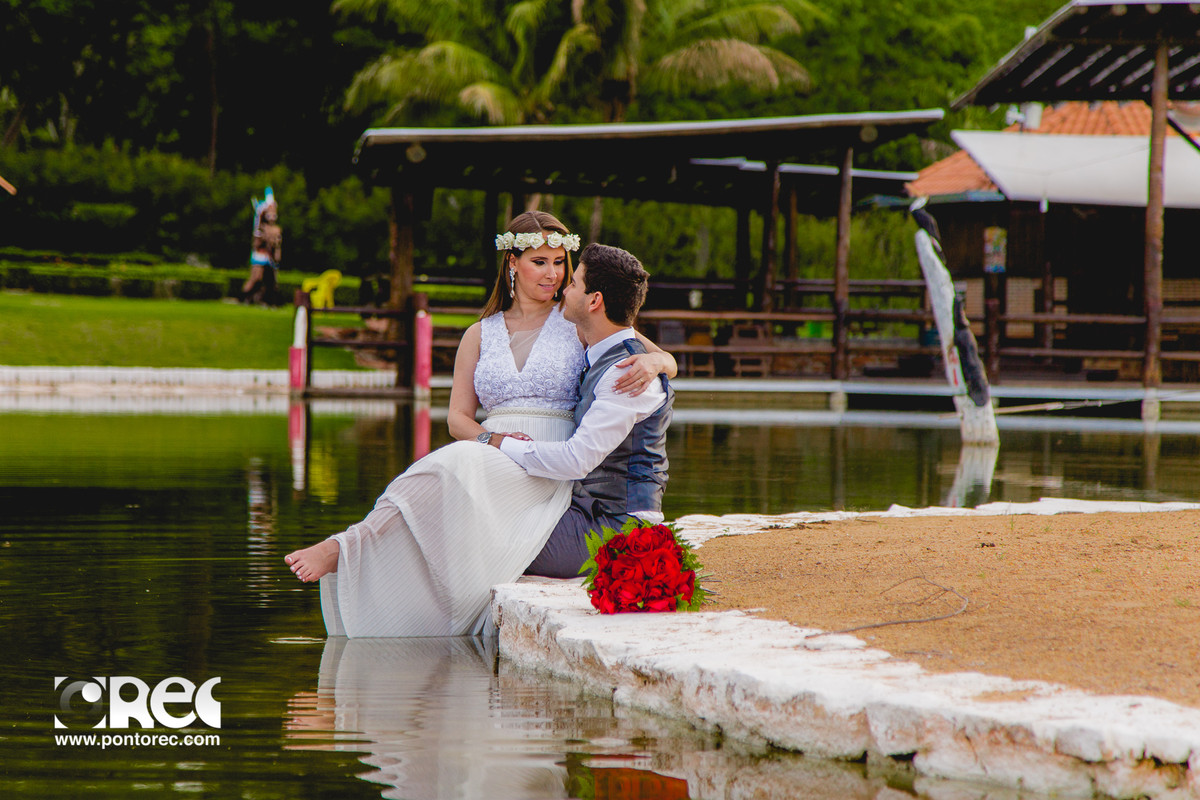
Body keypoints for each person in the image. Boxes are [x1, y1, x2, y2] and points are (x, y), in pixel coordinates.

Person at [283, 211, 676, 636]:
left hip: (549, 464)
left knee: (453, 469)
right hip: (492, 448)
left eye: (561, 263)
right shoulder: (480, 333)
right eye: (539, 262)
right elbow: (457, 417)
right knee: (449, 471)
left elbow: (637, 348)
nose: (553, 274)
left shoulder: (575, 322)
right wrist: (492, 439)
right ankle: (374, 577)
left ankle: (349, 547)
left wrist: (659, 360)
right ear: (512, 263)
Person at [486, 243, 673, 579]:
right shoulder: (604, 352)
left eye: (573, 283)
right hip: (589, 514)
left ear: (594, 301)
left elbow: (576, 460)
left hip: (617, 530)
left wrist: (499, 443)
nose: (563, 288)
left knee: (486, 539)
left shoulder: (625, 374)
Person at [241, 187, 283, 305]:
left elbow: (277, 245)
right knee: (256, 277)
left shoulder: (276, 229)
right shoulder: (261, 228)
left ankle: (263, 299)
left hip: (270, 257)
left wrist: (276, 250)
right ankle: (245, 297)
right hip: (260, 254)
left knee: (270, 281)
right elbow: (256, 242)